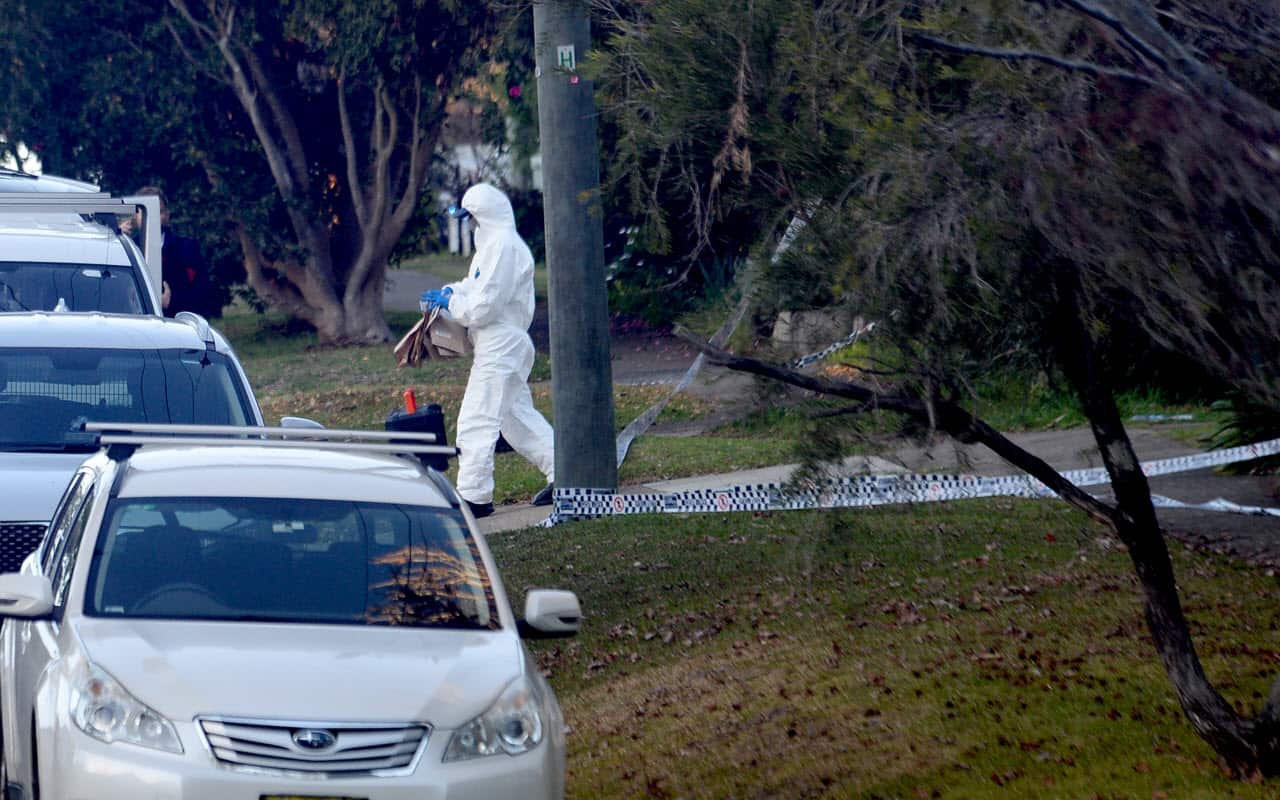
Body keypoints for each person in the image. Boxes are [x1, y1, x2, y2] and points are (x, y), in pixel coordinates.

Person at [421, 183, 554, 518]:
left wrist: (451, 302)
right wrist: (449, 291)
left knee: (477, 418)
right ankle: (566, 473)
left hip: (501, 342)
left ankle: (475, 497)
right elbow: (476, 286)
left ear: (483, 216)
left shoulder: (504, 247)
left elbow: (483, 307)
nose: (470, 225)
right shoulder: (493, 247)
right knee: (514, 418)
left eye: (470, 218)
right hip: (501, 343)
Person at [134, 186, 222, 319]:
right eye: (145, 212)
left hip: (178, 327)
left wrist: (172, 301)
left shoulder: (187, 248)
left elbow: (205, 293)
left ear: (167, 215)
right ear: (136, 215)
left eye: (158, 211)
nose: (151, 218)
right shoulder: (126, 248)